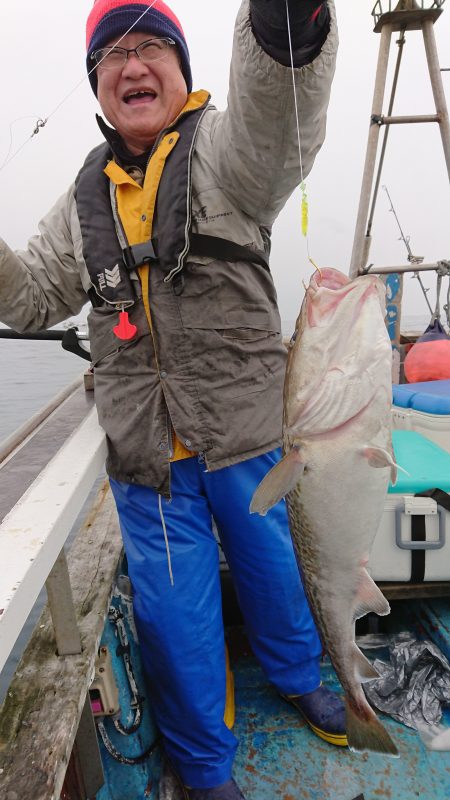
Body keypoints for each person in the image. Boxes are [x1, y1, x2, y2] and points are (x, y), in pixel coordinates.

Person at [0, 1, 340, 797]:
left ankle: (299, 674)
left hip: (246, 430)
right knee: (175, 619)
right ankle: (204, 766)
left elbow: (275, 119)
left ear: (183, 71)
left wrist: (286, 29)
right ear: (98, 86)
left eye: (152, 46)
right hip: (146, 453)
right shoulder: (78, 203)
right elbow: (29, 300)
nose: (133, 66)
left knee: (273, 569)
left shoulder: (228, 153)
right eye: (112, 56)